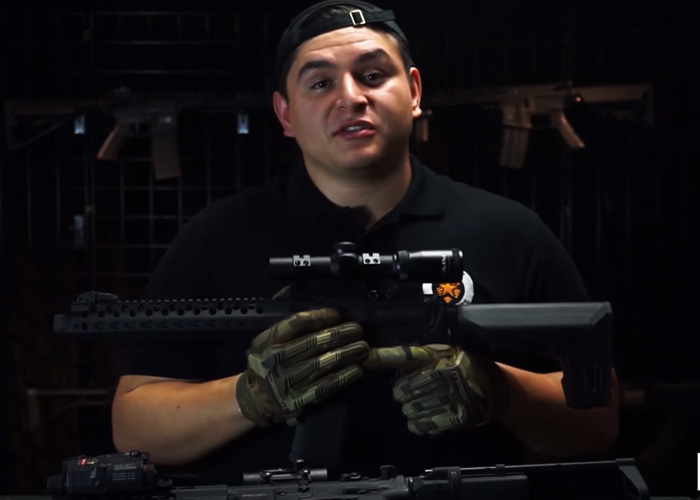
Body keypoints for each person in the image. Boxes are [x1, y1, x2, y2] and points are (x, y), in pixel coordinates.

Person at [111, 0, 620, 485]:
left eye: (373, 75)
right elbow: (134, 426)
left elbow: (598, 422)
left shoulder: (508, 232)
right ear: (285, 114)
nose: (351, 97)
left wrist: (499, 390)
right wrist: (250, 396)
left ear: (414, 91)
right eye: (320, 83)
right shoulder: (216, 238)